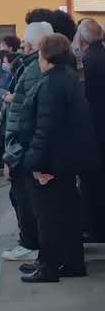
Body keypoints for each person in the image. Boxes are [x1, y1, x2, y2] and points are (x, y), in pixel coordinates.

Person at [19, 33, 97, 282]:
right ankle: (71, 262)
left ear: (45, 54)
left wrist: (36, 163)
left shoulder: (52, 83)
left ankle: (48, 266)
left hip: (52, 162)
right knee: (67, 213)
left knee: (49, 216)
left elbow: (46, 128)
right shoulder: (69, 78)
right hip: (66, 159)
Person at [1, 21, 54, 263]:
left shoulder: (34, 68)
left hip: (23, 146)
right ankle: (31, 241)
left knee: (24, 198)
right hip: (26, 145)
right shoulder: (36, 67)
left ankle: (30, 243)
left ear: (33, 44)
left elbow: (28, 112)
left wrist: (14, 151)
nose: (22, 46)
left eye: (24, 42)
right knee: (25, 197)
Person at [75, 19, 105, 242]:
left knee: (92, 184)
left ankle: (94, 228)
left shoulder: (86, 62)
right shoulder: (100, 56)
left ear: (82, 38)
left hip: (93, 132)